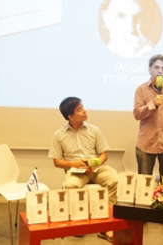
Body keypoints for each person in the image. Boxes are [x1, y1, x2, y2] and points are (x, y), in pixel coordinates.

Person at [48, 97, 118, 242]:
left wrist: (95, 163)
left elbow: (104, 154)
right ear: (70, 116)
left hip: (97, 168)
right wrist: (74, 164)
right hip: (75, 171)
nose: (84, 110)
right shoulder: (59, 135)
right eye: (79, 109)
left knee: (115, 180)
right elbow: (56, 161)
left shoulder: (94, 130)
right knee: (70, 186)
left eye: (83, 107)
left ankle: (106, 225)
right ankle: (78, 223)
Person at [133, 54, 163, 178]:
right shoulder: (141, 90)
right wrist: (152, 104)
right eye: (156, 67)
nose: (160, 71)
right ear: (150, 69)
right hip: (146, 143)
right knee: (144, 184)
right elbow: (137, 114)